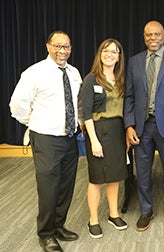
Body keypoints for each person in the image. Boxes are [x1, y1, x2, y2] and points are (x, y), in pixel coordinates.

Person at [10, 31, 82, 252]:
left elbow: (77, 102)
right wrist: (36, 123)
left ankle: (58, 225)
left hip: (70, 137)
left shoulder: (74, 72)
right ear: (48, 46)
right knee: (48, 188)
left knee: (66, 185)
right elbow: (17, 105)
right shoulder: (34, 73)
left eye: (66, 47)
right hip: (45, 138)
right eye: (58, 46)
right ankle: (46, 234)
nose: (63, 51)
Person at [124, 20, 164, 233]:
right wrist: (129, 125)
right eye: (149, 35)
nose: (153, 38)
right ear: (144, 37)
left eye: (157, 34)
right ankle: (146, 211)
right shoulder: (134, 62)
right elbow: (130, 97)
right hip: (141, 128)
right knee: (142, 174)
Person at [80, 39, 128, 238]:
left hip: (118, 130)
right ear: (100, 53)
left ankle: (113, 214)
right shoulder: (91, 79)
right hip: (98, 131)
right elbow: (87, 114)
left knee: (115, 176)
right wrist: (94, 140)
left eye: (114, 52)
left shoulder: (121, 78)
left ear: (119, 57)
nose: (110, 54)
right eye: (106, 50)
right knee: (97, 179)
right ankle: (93, 219)